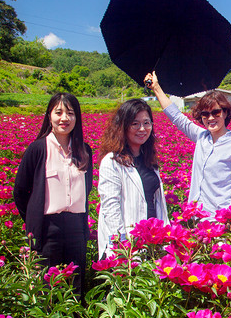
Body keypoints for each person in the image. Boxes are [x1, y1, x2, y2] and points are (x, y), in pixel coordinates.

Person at [13, 93, 93, 297]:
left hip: (76, 227)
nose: (64, 118)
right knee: (47, 286)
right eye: (58, 112)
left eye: (70, 113)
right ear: (49, 116)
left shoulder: (84, 151)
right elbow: (20, 191)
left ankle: (75, 317)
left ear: (77, 118)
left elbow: (87, 187)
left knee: (74, 285)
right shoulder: (38, 149)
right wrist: (33, 219)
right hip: (47, 228)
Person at [144, 72, 231, 217]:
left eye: (216, 112)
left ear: (225, 113)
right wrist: (156, 88)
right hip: (197, 215)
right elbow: (177, 117)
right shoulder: (202, 137)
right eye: (205, 114)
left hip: (220, 218)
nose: (210, 118)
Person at [97, 98, 169, 258]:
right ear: (123, 126)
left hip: (153, 243)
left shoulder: (149, 159)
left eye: (146, 123)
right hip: (128, 247)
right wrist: (122, 246)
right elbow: (111, 207)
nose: (142, 129)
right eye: (135, 124)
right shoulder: (112, 161)